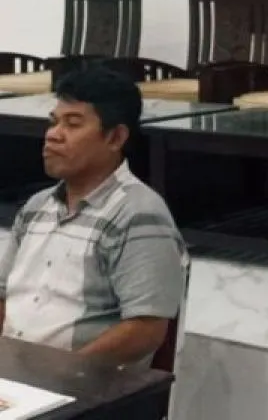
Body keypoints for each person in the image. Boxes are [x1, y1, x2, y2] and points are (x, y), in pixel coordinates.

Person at [0, 66, 187, 368]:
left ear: (115, 137)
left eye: (72, 124)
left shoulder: (138, 214)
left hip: (85, 386)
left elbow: (146, 330)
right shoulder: (36, 206)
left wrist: (64, 373)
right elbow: (3, 295)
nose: (53, 135)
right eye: (53, 122)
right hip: (16, 378)